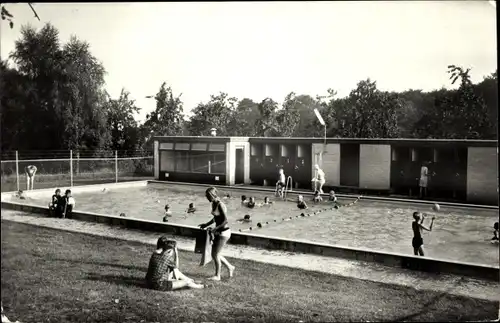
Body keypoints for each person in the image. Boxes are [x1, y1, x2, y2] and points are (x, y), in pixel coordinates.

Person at [199, 187, 235, 281]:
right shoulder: (214, 204)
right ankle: (230, 267)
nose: (206, 197)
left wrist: (215, 229)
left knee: (215, 254)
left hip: (224, 232)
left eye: (207, 195)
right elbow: (216, 218)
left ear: (212, 195)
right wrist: (206, 224)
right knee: (215, 254)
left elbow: (225, 220)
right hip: (220, 231)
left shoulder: (220, 204)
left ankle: (217, 276)